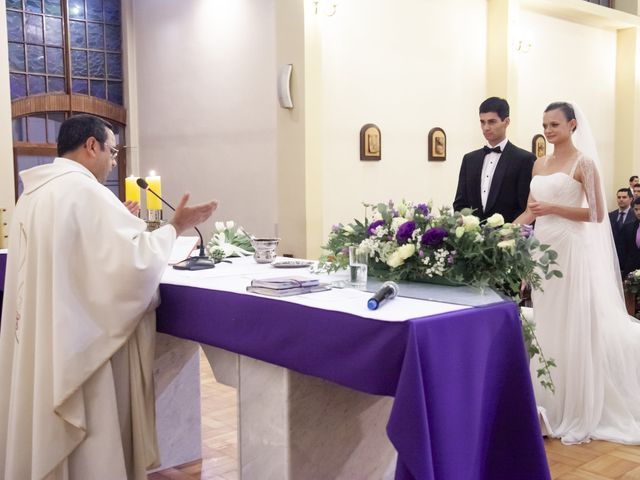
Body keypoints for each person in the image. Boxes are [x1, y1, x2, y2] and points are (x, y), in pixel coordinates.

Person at [0, 114, 217, 479]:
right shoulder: (84, 192)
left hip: (44, 340)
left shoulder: (33, 194)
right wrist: (174, 227)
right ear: (91, 146)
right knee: (91, 444)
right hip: (78, 349)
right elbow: (134, 267)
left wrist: (121, 221)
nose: (114, 161)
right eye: (112, 151)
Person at [515, 102, 640, 445]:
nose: (548, 130)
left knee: (573, 322)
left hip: (572, 250)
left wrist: (553, 208)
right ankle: (546, 401)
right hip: (543, 250)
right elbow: (530, 209)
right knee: (548, 321)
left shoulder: (583, 162)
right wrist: (503, 230)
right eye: (544, 124)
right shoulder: (539, 163)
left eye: (554, 124)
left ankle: (575, 404)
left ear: (572, 125)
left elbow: (598, 214)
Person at [453, 97, 536, 222]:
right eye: (482, 122)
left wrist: (510, 235)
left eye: (492, 122)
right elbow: (460, 204)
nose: (486, 127)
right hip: (472, 238)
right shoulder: (469, 159)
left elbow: (525, 208)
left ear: (506, 122)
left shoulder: (524, 159)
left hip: (509, 238)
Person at [609, 187, 634, 267]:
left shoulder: (635, 216)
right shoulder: (611, 215)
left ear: (631, 199)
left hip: (629, 258)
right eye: (619, 197)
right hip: (612, 257)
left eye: (624, 197)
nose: (621, 199)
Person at [620, 197, 640, 277]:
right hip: (631, 272)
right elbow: (623, 250)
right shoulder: (628, 226)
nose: (638, 212)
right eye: (636, 209)